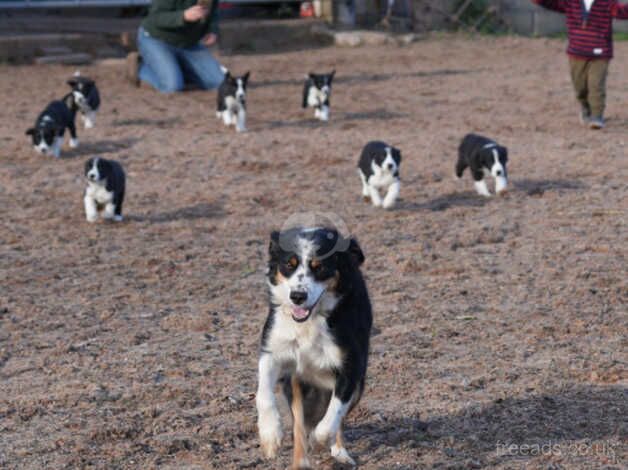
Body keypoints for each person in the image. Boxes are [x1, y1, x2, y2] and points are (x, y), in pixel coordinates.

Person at [532, 0, 628, 129]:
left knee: (596, 85)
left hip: (600, 53)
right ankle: (585, 107)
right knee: (580, 87)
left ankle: (597, 116)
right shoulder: (570, 2)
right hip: (577, 52)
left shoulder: (607, 3)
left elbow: (622, 12)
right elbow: (550, 3)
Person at [127, 0, 224, 93]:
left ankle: (176, 68)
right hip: (156, 39)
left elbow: (213, 11)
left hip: (189, 43)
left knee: (219, 82)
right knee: (172, 87)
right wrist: (183, 16)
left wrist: (212, 30)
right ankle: (141, 67)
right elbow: (155, 18)